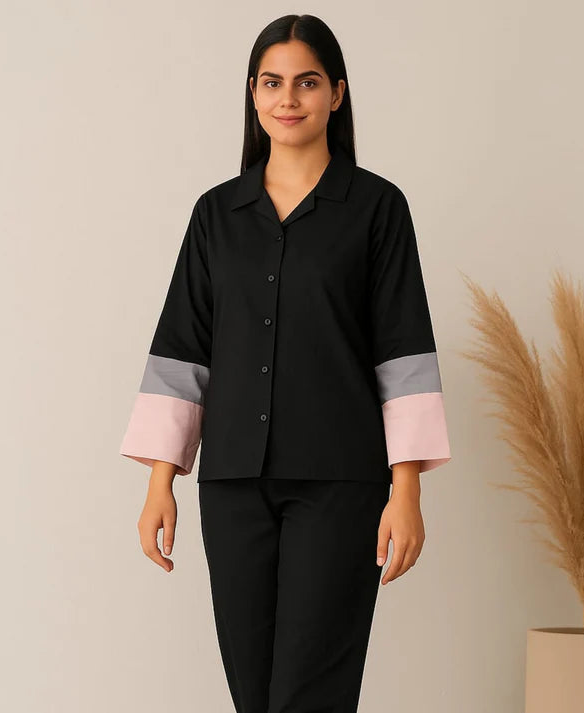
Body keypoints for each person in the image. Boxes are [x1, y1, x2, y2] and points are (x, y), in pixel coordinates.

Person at [119, 13, 451, 713]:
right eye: (271, 83)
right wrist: (159, 483)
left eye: (306, 82)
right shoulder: (216, 215)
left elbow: (403, 353)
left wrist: (407, 492)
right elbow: (184, 348)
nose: (288, 98)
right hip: (233, 487)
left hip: (340, 485)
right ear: (252, 92)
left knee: (311, 694)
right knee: (253, 694)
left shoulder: (377, 209)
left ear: (336, 92)